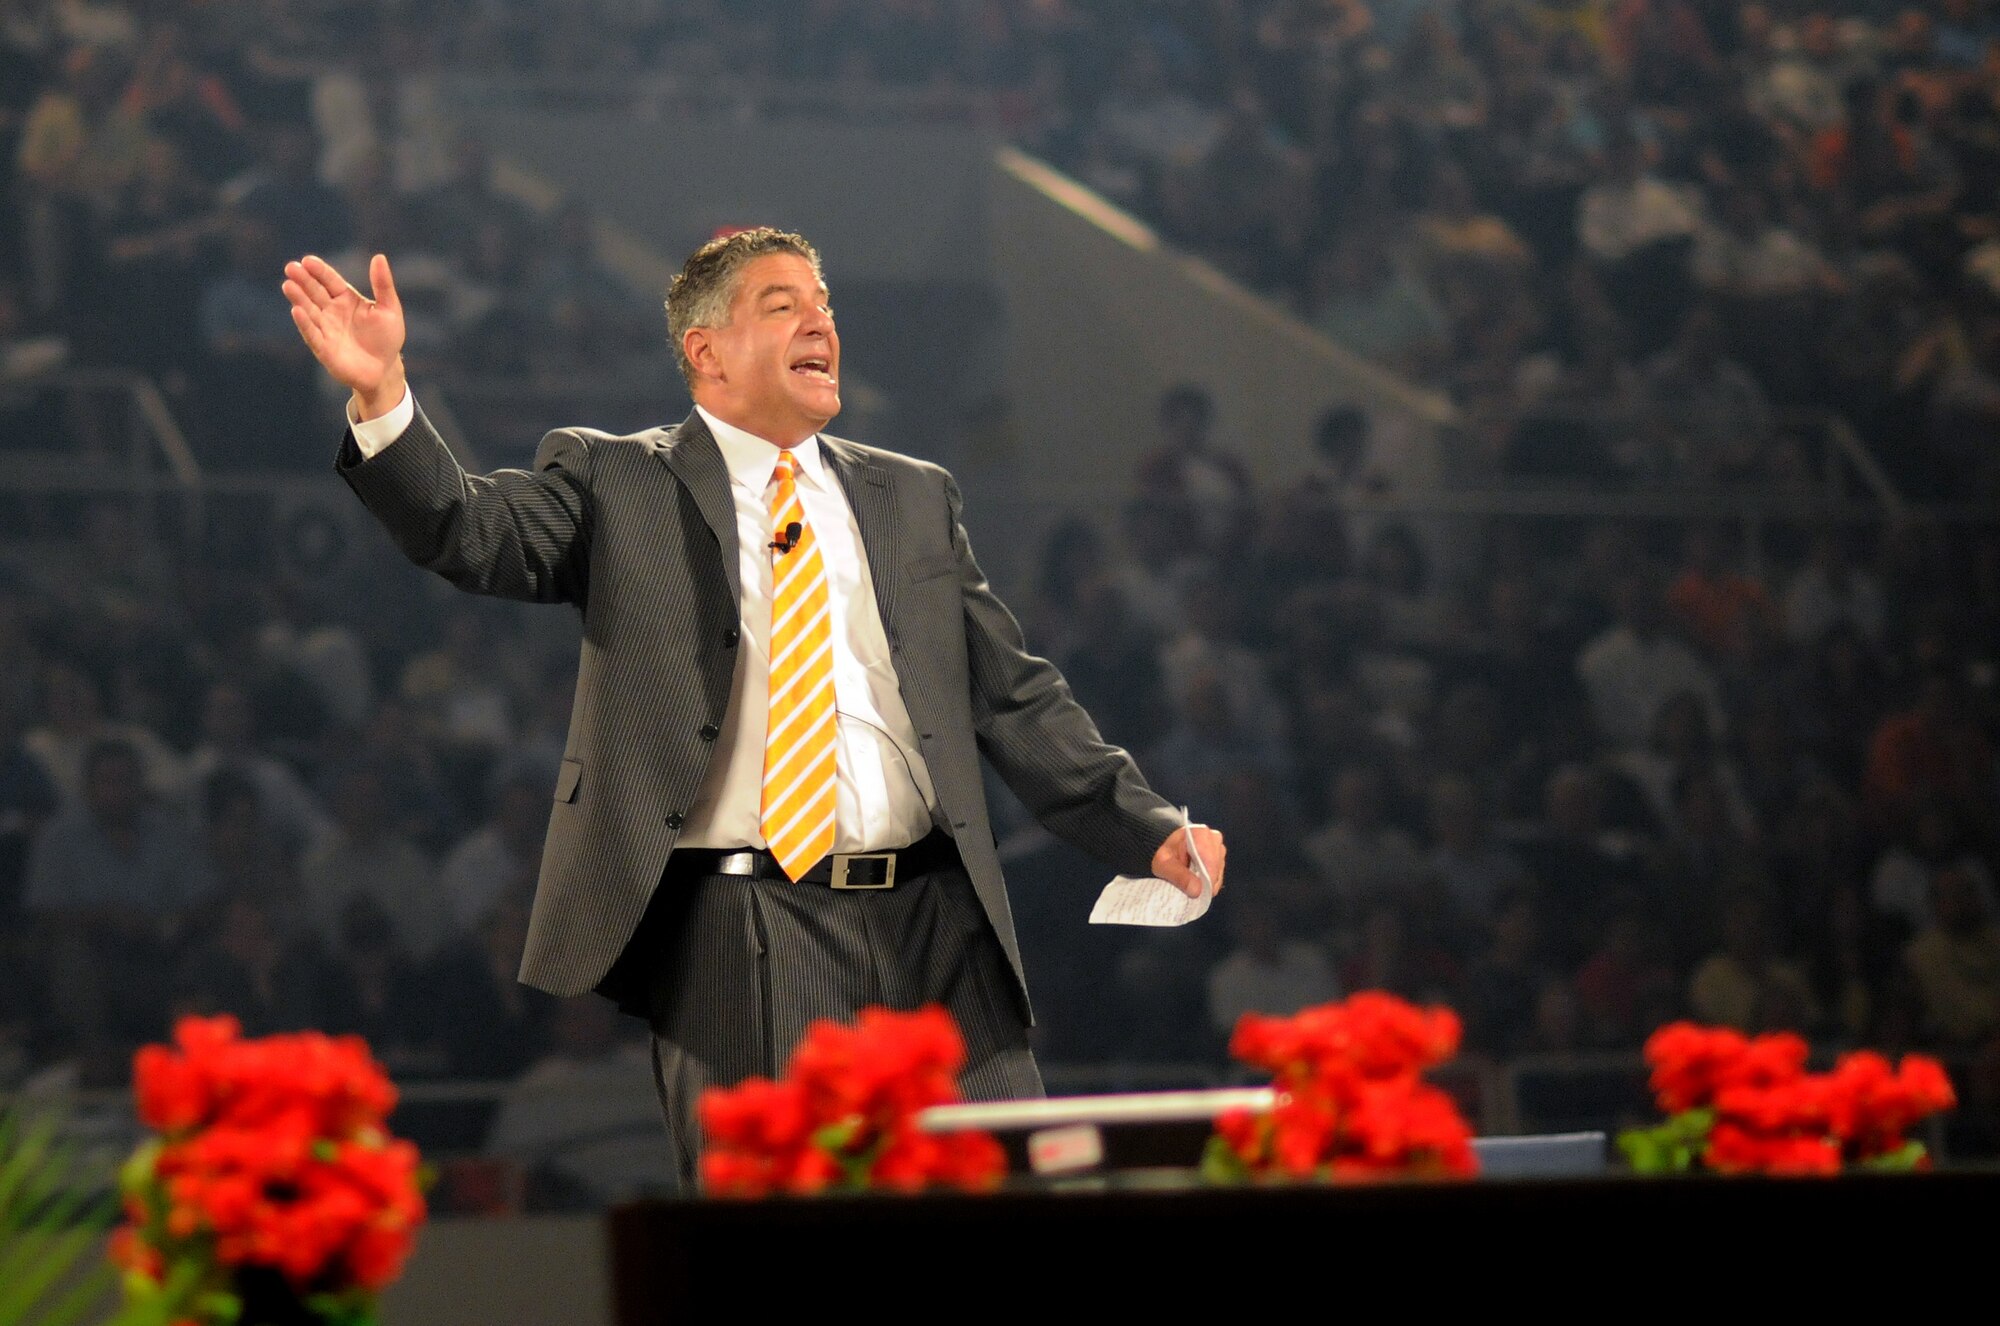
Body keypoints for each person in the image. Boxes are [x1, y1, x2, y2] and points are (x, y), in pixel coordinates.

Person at [281, 229, 1225, 1184]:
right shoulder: (618, 479)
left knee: (1006, 1195)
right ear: (705, 351)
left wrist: (1141, 826)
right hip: (745, 928)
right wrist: (383, 397)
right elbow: (470, 532)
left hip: (940, 921)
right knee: (772, 1231)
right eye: (783, 305)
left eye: (825, 306)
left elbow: (1013, 692)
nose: (820, 321)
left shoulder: (911, 495)